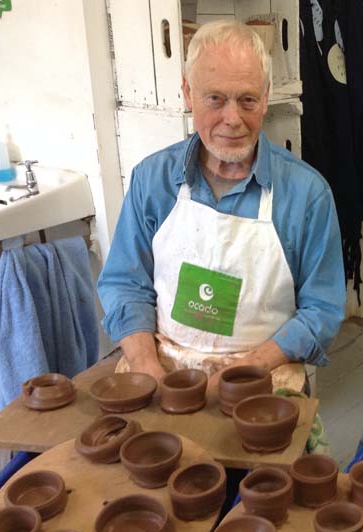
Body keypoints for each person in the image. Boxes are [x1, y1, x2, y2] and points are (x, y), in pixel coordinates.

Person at [97, 20, 345, 450]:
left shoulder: (306, 195)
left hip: (262, 375)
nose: (233, 119)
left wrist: (245, 369)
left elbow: (321, 311)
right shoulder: (152, 180)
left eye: (248, 100)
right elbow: (124, 284)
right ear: (188, 94)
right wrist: (145, 366)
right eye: (216, 99)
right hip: (163, 365)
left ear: (266, 98)